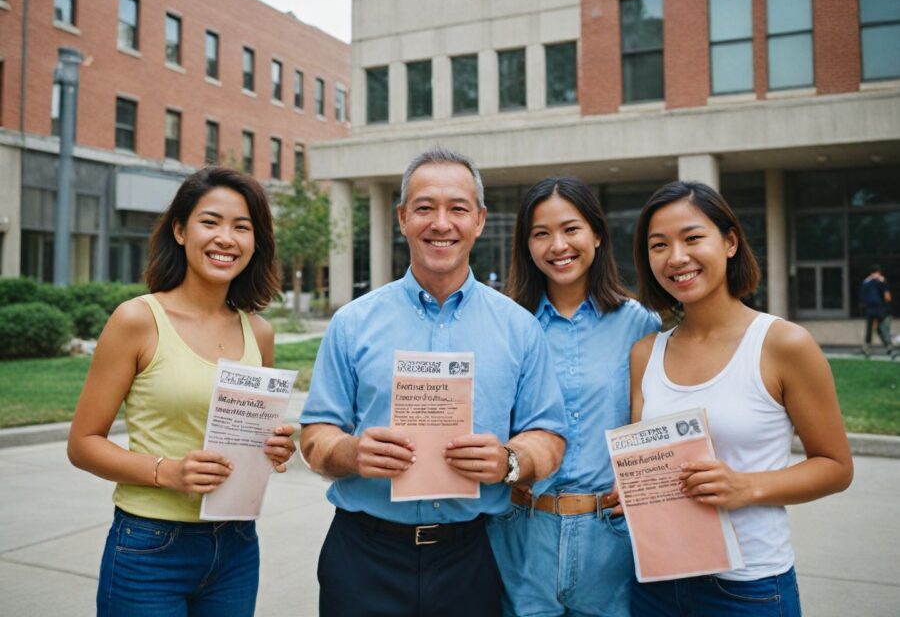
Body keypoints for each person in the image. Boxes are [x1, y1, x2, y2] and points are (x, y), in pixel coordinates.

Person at [300, 147, 567, 617]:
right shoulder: (352, 323)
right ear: (402, 218)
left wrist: (509, 461)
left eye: (457, 209)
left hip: (472, 557)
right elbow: (315, 436)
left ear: (479, 220)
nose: (441, 223)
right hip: (364, 555)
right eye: (425, 208)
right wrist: (352, 453)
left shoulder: (519, 328)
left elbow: (548, 437)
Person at [68, 167, 297, 616]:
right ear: (179, 229)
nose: (226, 238)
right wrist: (166, 472)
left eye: (242, 227)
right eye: (210, 222)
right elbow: (82, 444)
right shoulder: (137, 320)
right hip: (150, 547)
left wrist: (274, 447)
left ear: (256, 242)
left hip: (236, 544)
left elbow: (253, 437)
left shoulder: (260, 333)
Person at [629, 180, 853, 616]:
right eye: (659, 245)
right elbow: (649, 458)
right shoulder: (646, 352)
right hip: (655, 583)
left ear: (730, 241)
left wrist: (746, 486)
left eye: (693, 238)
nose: (676, 257)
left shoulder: (783, 344)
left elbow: (836, 467)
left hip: (748, 589)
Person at [487, 177, 660, 616]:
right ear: (526, 246)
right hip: (521, 532)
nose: (557, 245)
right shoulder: (504, 323)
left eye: (571, 229)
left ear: (597, 235)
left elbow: (652, 421)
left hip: (611, 537)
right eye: (540, 233)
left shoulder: (639, 323)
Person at [860, 265, 893, 357]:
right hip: (879, 308)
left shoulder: (866, 282)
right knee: (880, 328)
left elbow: (863, 297)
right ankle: (888, 345)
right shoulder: (881, 281)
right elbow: (887, 297)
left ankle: (867, 347)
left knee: (870, 328)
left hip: (870, 308)